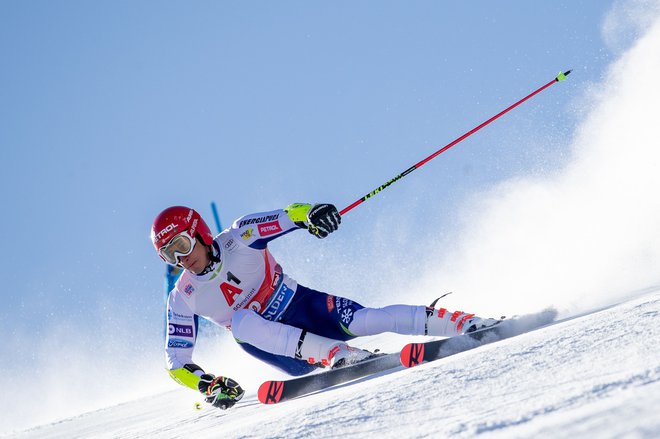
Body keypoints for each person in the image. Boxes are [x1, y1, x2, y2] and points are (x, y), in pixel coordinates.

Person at [151, 203, 499, 410]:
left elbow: (288, 216)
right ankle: (338, 355)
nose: (182, 259)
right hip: (282, 350)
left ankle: (466, 324)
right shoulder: (183, 295)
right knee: (241, 322)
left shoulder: (241, 236)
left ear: (199, 231)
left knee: (368, 319)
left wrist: (312, 215)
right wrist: (206, 385)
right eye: (169, 254)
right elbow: (175, 360)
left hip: (303, 305)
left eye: (182, 244)